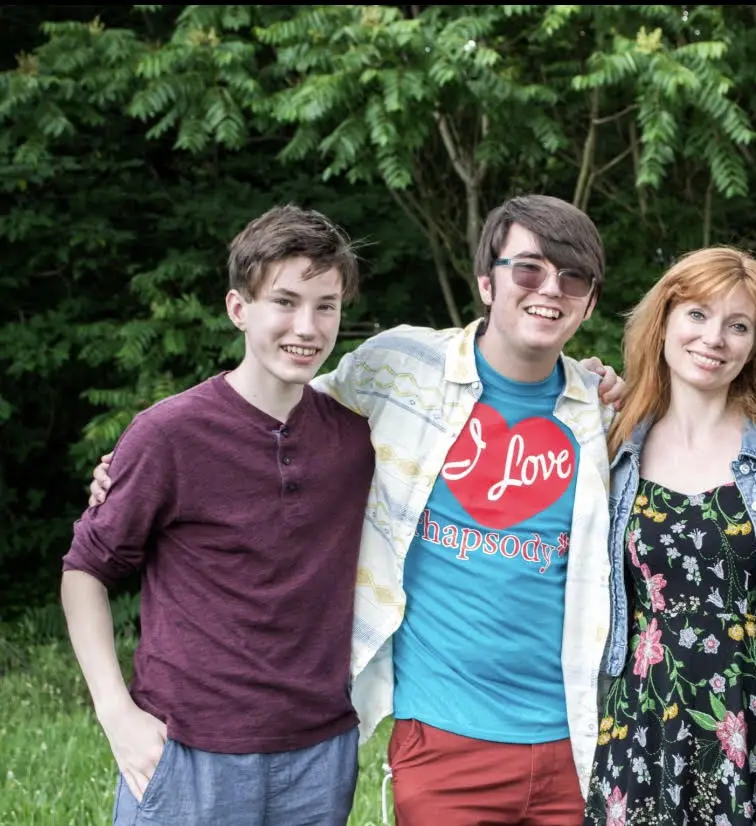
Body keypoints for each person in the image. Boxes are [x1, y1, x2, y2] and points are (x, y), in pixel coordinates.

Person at [89, 195, 627, 825]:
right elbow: (276, 409)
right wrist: (125, 466)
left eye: (574, 278)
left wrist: (602, 385)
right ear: (486, 282)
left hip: (574, 734)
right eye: (528, 270)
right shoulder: (401, 368)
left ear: (590, 302)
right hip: (439, 734)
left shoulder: (604, 414)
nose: (549, 290)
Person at [63, 205, 375, 826]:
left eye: (326, 306)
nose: (307, 327)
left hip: (320, 752)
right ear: (239, 309)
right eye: (284, 302)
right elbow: (84, 573)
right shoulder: (168, 434)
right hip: (187, 751)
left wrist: (580, 380)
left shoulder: (358, 440)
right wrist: (116, 714)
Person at [586, 247, 756, 826]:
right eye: (697, 315)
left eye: (739, 326)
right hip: (639, 721)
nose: (715, 338)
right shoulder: (609, 443)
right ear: (663, 321)